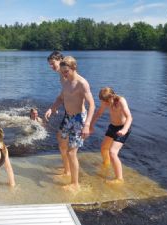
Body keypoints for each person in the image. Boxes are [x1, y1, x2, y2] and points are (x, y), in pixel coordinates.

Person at [45, 56, 95, 192]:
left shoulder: (82, 83)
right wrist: (52, 108)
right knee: (61, 142)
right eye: (62, 71)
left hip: (79, 119)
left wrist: (87, 125)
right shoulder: (66, 82)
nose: (64, 74)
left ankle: (75, 184)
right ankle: (67, 171)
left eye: (66, 71)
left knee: (72, 152)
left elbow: (92, 105)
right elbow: (61, 97)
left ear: (74, 68)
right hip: (68, 117)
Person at [90, 87, 132, 184]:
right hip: (113, 127)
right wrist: (90, 125)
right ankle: (106, 163)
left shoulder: (121, 101)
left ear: (111, 97)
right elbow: (99, 113)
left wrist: (124, 130)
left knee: (113, 152)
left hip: (123, 128)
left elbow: (129, 117)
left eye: (106, 102)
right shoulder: (106, 101)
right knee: (104, 148)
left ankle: (119, 178)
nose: (105, 105)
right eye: (103, 102)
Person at [45, 51, 71, 176]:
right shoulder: (62, 75)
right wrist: (53, 107)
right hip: (68, 112)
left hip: (75, 114)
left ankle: (68, 171)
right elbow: (63, 95)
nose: (51, 66)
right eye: (49, 64)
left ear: (61, 59)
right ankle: (67, 168)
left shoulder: (68, 74)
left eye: (53, 63)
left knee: (64, 142)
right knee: (61, 140)